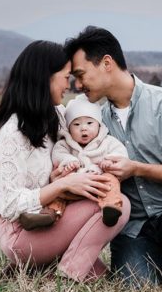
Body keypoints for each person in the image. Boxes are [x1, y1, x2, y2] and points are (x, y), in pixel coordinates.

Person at [63, 26, 162, 287]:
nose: (78, 85)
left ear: (107, 63)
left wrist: (137, 169)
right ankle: (148, 263)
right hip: (133, 229)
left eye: (81, 75)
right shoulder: (93, 123)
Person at [0, 40, 131, 282]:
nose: (69, 84)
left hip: (53, 218)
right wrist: (64, 185)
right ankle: (66, 274)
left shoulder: (58, 116)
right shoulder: (11, 133)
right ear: (45, 78)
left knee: (100, 276)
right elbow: (10, 204)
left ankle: (46, 267)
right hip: (21, 231)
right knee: (120, 204)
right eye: (65, 77)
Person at [45, 96, 128, 226]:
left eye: (90, 123)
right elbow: (58, 153)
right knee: (58, 187)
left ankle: (111, 207)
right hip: (73, 183)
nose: (83, 128)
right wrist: (69, 161)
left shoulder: (107, 141)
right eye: (76, 124)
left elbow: (120, 153)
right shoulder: (65, 143)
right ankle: (50, 212)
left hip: (98, 182)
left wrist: (109, 162)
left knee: (110, 180)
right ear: (69, 128)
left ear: (99, 125)